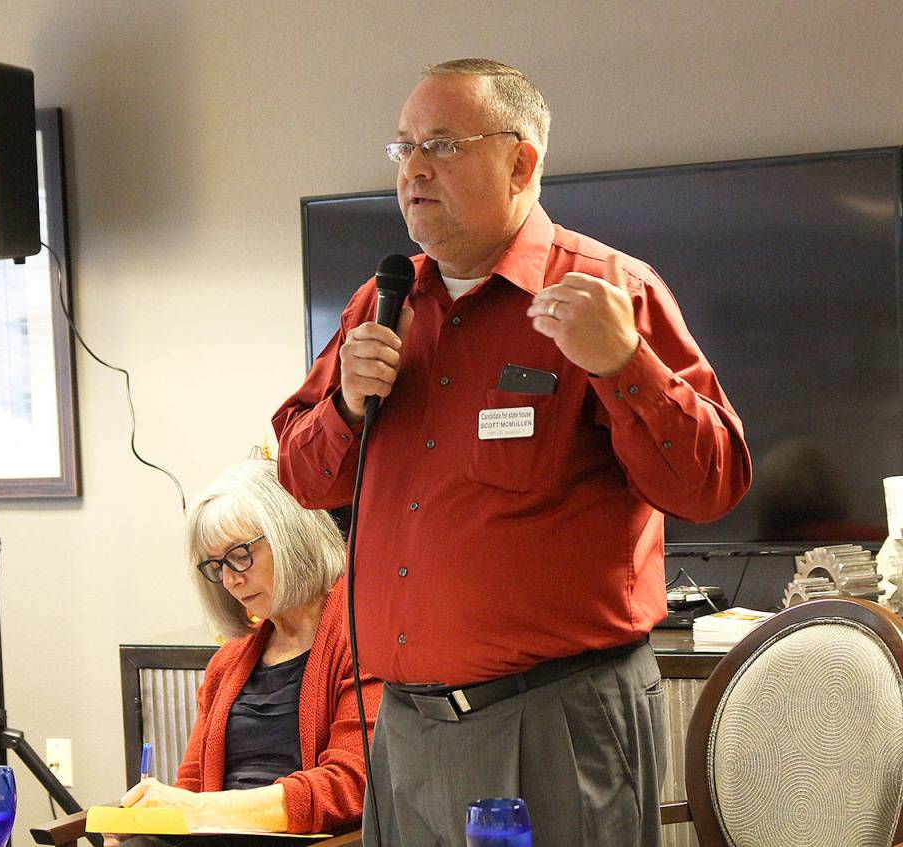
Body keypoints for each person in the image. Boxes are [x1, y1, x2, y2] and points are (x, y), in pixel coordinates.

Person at [272, 59, 752, 847]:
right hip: (403, 728)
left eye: (442, 144)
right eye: (403, 150)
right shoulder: (382, 303)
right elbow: (299, 473)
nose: (415, 169)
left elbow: (712, 484)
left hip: (554, 721)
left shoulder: (609, 290)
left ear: (522, 161)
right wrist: (345, 405)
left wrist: (624, 364)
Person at [116, 459, 381, 839]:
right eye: (216, 565)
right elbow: (190, 785)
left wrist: (200, 810)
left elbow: (351, 785)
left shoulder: (364, 639)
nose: (230, 579)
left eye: (240, 555)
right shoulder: (227, 663)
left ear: (292, 538)